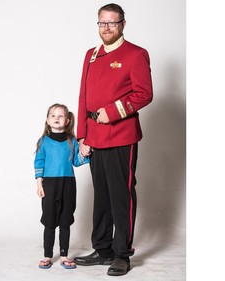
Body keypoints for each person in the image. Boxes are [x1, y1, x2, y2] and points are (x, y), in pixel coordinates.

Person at [74, 3, 153, 276]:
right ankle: (103, 249)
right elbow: (83, 96)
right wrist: (82, 136)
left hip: (121, 136)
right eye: (102, 23)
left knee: (121, 196)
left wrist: (113, 112)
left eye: (112, 23)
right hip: (94, 138)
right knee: (102, 196)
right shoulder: (90, 55)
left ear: (123, 24)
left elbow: (144, 93)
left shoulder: (136, 54)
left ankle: (122, 254)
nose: (107, 28)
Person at [34, 103, 89, 270]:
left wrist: (85, 152)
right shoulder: (43, 141)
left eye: (60, 116)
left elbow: (77, 161)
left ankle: (64, 255)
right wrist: (39, 184)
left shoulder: (72, 141)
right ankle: (47, 256)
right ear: (47, 120)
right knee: (49, 221)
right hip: (49, 184)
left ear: (68, 120)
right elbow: (39, 162)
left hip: (68, 184)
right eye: (53, 115)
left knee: (65, 220)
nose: (56, 118)